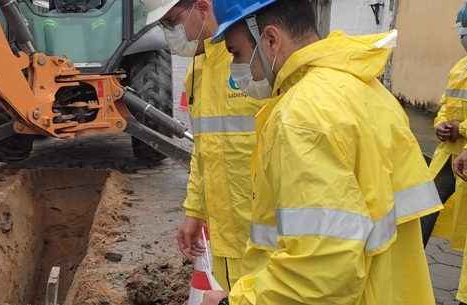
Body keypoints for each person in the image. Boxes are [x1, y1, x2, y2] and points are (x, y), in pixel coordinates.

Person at [200, 0, 442, 304]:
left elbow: (322, 269)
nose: (235, 71)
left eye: (237, 54)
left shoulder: (301, 117)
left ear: (271, 40)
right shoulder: (362, 87)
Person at [155, 0, 264, 290]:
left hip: (264, 237)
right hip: (226, 237)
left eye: (172, 21)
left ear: (201, 8)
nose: (172, 33)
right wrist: (195, 212)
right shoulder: (199, 70)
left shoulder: (251, 60)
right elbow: (203, 154)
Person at [437, 4, 467, 305]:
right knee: (422, 210)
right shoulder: (460, 68)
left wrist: (463, 128)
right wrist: (441, 125)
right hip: (448, 156)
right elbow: (446, 104)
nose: (463, 35)